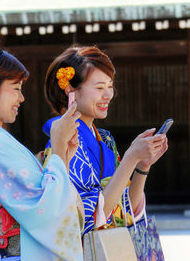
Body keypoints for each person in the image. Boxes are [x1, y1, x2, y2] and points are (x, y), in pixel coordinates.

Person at [0, 44, 84, 261]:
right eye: (16, 88)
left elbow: (47, 199)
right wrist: (57, 145)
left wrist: (63, 154)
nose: (22, 98)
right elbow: (46, 211)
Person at [43, 45, 168, 235]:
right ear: (71, 91)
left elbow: (125, 210)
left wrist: (142, 165)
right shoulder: (63, 140)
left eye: (110, 86)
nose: (109, 94)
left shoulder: (106, 139)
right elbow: (88, 216)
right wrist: (130, 158)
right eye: (100, 87)